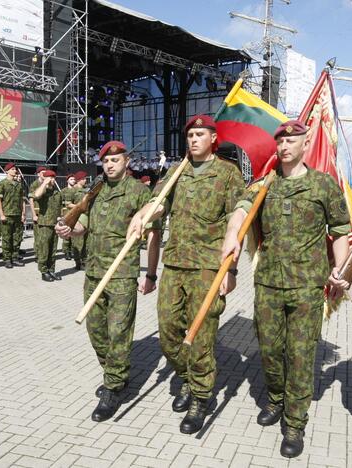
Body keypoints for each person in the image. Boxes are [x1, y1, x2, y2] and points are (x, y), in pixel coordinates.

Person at [221, 120, 351, 458]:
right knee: (268, 349)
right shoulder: (265, 184)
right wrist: (232, 236)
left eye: (292, 140)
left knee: (300, 354)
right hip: (268, 285)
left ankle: (295, 421)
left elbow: (339, 231)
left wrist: (340, 269)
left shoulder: (323, 185)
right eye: (280, 141)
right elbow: (240, 212)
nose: (284, 146)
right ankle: (276, 399)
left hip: (307, 286)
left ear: (305, 144)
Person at [127, 114, 245, 435]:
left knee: (202, 336)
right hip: (175, 264)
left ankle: (199, 396)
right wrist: (142, 215)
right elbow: (158, 203)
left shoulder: (228, 173)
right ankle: (185, 375)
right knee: (168, 334)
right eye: (190, 134)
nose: (193, 139)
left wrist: (230, 270)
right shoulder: (177, 170)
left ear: (212, 138)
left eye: (199, 134)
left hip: (208, 268)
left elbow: (240, 220)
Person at [56, 141, 161, 422]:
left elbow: (153, 233)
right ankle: (113, 371)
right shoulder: (97, 190)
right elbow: (84, 226)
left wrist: (150, 274)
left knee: (118, 333)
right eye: (107, 160)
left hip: (122, 274)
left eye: (116, 159)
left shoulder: (139, 191)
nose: (111, 164)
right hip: (93, 271)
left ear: (127, 162)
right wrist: (69, 230)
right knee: (96, 332)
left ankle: (114, 386)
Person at [32, 169, 63, 281]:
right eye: (51, 178)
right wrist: (44, 183)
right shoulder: (43, 190)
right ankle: (44, 271)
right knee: (44, 249)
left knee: (53, 249)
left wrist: (60, 218)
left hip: (55, 224)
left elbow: (60, 207)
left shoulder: (57, 192)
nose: (53, 180)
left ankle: (51, 270)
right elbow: (36, 196)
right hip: (44, 224)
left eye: (54, 178)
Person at [0, 163, 26, 268]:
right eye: (12, 169)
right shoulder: (2, 184)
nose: (15, 171)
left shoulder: (18, 184)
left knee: (16, 237)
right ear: (7, 171)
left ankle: (15, 257)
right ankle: (7, 259)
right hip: (7, 215)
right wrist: (1, 214)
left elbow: (22, 200)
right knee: (7, 238)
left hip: (17, 214)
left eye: (15, 169)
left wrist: (23, 213)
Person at [61, 171, 87, 269]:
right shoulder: (72, 191)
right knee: (77, 241)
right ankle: (78, 262)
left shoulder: (86, 190)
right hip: (76, 218)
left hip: (85, 218)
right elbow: (67, 203)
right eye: (84, 179)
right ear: (79, 180)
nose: (85, 181)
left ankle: (85, 261)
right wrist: (79, 207)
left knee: (86, 242)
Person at [29, 166, 47, 263]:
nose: (44, 174)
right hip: (38, 212)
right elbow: (31, 199)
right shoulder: (35, 184)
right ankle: (37, 254)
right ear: (38, 174)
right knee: (38, 235)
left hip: (46, 213)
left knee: (44, 235)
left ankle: (43, 253)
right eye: (42, 172)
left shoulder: (47, 184)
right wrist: (33, 214)